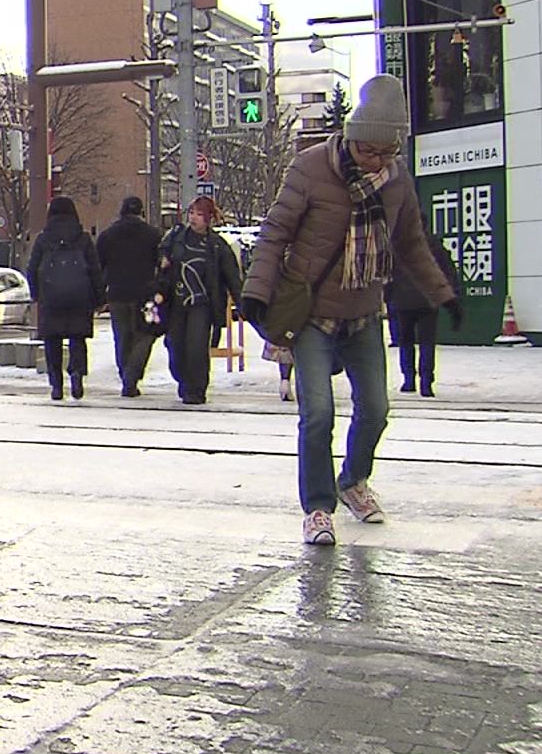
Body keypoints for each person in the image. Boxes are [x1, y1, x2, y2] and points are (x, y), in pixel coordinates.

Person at [241, 75, 461, 546]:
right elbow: (276, 232)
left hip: (364, 311)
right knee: (317, 413)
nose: (376, 161)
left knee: (376, 409)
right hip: (314, 315)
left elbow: (411, 245)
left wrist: (442, 294)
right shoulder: (310, 168)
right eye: (368, 151)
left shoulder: (398, 181)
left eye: (386, 153)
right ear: (351, 136)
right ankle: (319, 508)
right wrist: (257, 292)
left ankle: (353, 481)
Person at [154, 196, 243, 406]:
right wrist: (163, 265)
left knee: (197, 346)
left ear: (209, 219)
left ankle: (196, 389)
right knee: (175, 345)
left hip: (202, 304)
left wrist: (241, 302)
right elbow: (160, 256)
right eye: (192, 213)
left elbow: (231, 275)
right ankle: (183, 379)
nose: (194, 218)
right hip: (176, 300)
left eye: (199, 215)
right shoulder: (176, 238)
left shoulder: (217, 246)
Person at [26, 196, 103, 401]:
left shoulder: (44, 239)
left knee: (53, 340)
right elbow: (95, 271)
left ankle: (56, 383)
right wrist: (98, 298)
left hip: (51, 299)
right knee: (77, 338)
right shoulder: (83, 238)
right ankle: (77, 374)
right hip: (80, 298)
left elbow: (32, 269)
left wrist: (36, 294)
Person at [95, 195, 162, 397]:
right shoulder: (154, 235)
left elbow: (99, 268)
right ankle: (132, 373)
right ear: (142, 212)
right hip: (147, 296)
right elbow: (162, 266)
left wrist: (100, 297)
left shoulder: (107, 236)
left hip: (117, 295)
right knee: (147, 333)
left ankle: (126, 374)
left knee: (122, 337)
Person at [387, 231, 463, 397]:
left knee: (405, 341)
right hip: (428, 300)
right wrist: (451, 295)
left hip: (402, 300)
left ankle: (408, 380)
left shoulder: (396, 241)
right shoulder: (432, 242)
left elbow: (386, 271)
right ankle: (426, 382)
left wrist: (388, 296)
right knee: (427, 342)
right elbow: (447, 268)